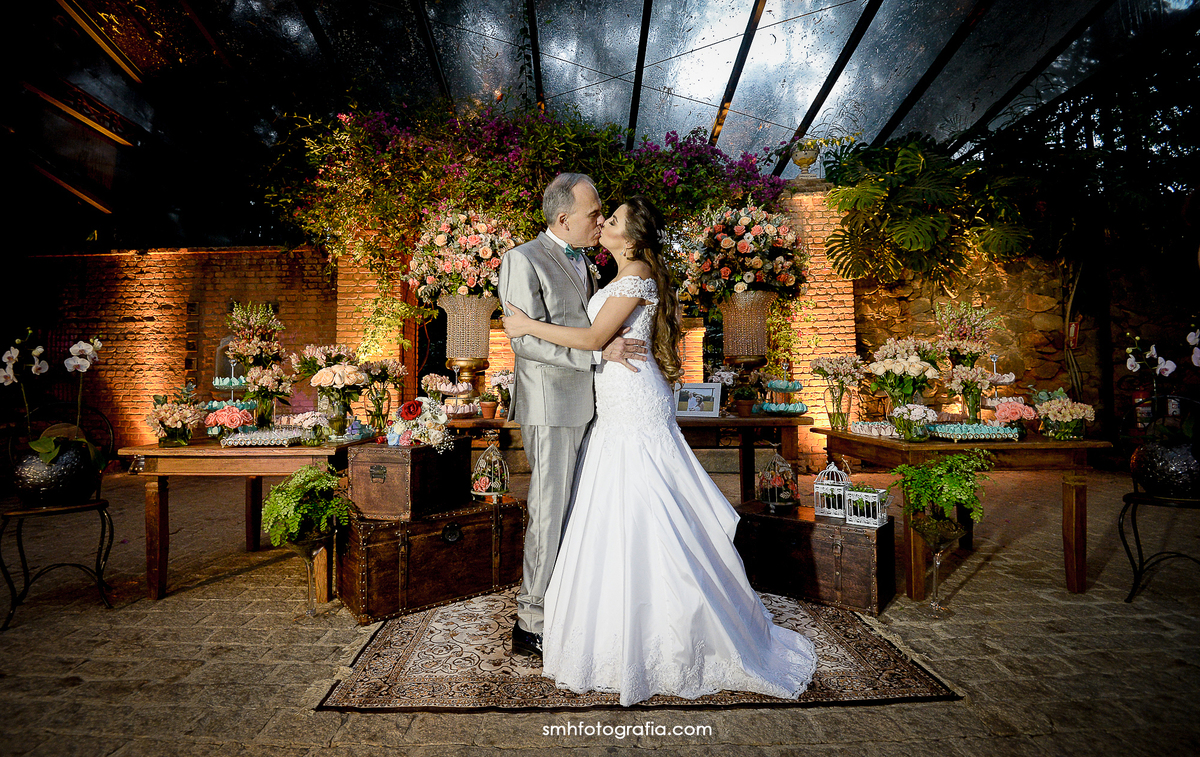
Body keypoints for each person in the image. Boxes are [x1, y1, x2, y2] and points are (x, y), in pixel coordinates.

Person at [503, 196, 816, 706]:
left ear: (631, 237)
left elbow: (594, 336)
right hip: (616, 398)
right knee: (617, 504)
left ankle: (664, 619)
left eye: (612, 219)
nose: (602, 222)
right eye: (600, 215)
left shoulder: (636, 276)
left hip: (632, 398)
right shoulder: (619, 272)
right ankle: (614, 616)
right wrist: (594, 346)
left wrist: (526, 325)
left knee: (646, 502)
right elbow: (600, 339)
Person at [497, 173, 647, 659]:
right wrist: (599, 355)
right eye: (593, 214)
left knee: (580, 509)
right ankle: (530, 621)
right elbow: (525, 341)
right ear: (563, 219)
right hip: (551, 405)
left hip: (594, 403)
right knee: (549, 510)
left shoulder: (586, 261)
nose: (600, 221)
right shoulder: (522, 259)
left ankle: (568, 605)